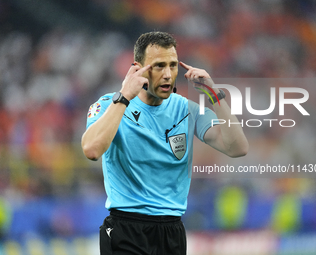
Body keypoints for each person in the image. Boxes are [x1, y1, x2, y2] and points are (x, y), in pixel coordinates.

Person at [81, 31, 248, 255]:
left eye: (172, 65)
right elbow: (91, 150)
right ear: (137, 68)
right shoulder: (110, 105)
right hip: (126, 228)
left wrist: (214, 94)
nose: (168, 74)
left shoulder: (187, 110)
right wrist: (123, 97)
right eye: (159, 66)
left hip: (172, 232)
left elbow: (237, 148)